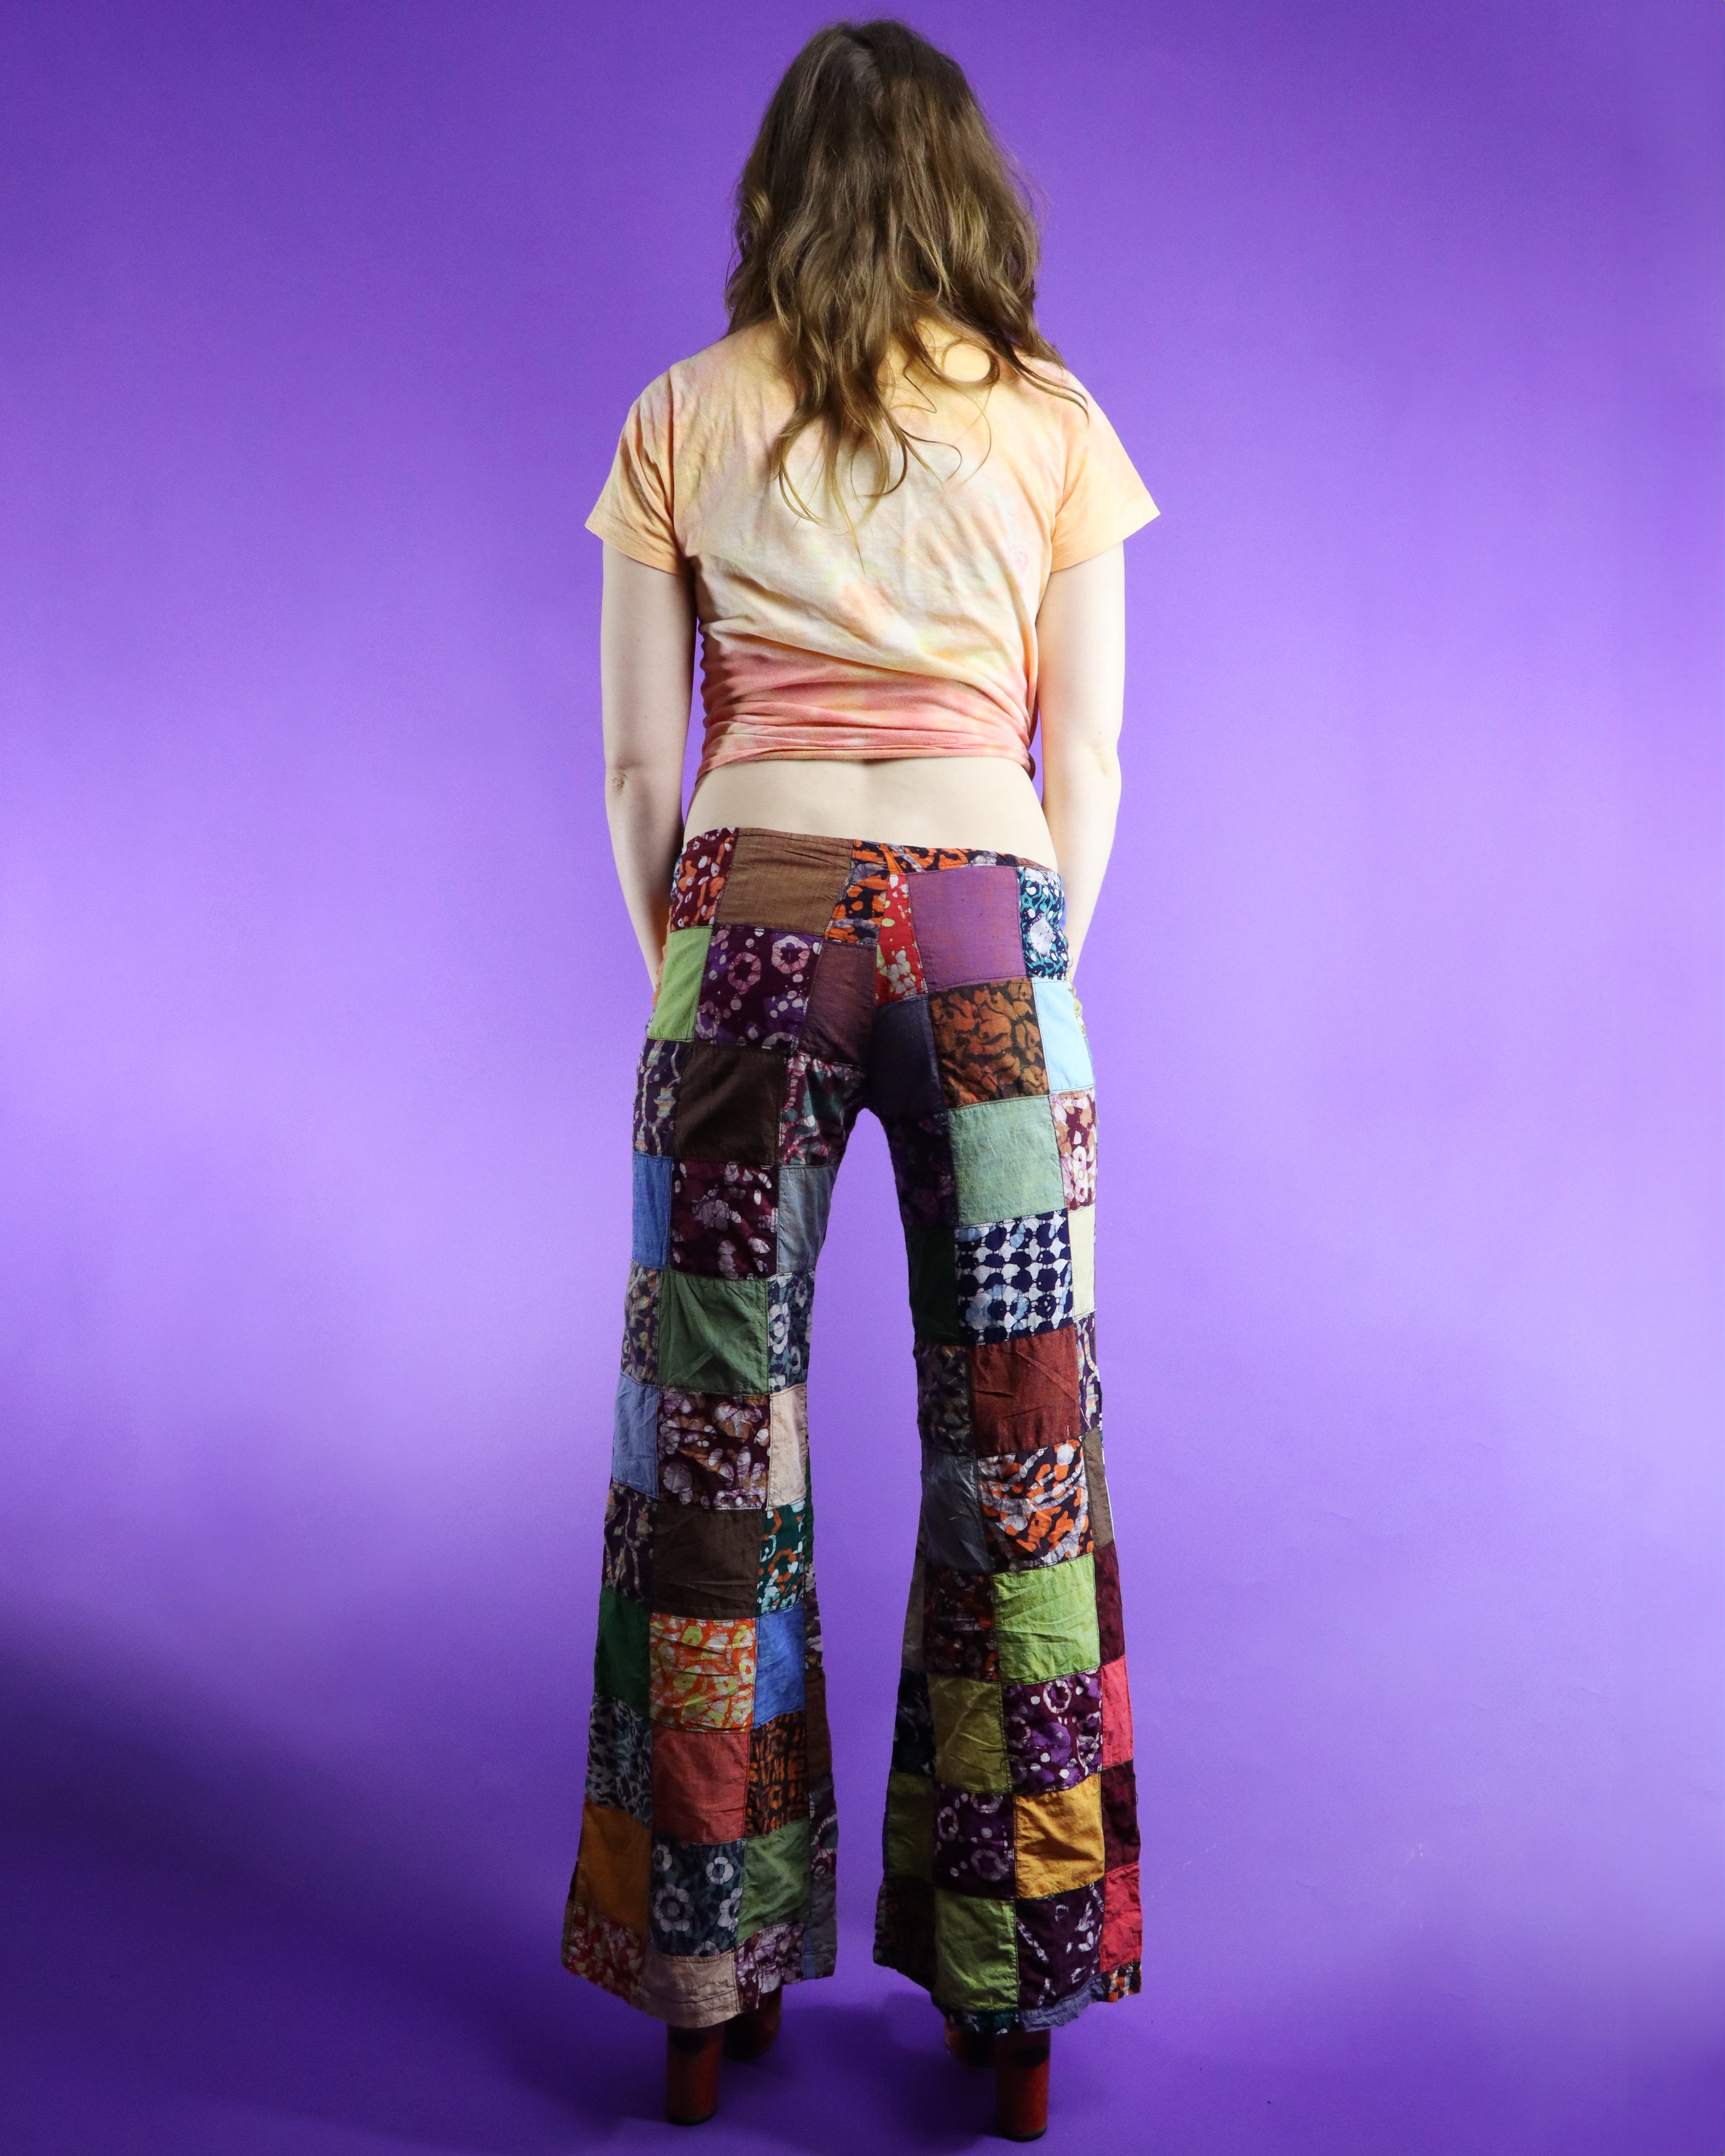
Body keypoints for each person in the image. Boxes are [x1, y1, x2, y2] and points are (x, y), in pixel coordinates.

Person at [561, 18, 1158, 2140]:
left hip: (750, 912)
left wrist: (705, 971)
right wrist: (1014, 962)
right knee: (1021, 1447)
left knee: (712, 1446)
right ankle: (1017, 1998)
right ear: (966, 193)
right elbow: (1086, 758)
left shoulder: (679, 412)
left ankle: (700, 1981)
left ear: (772, 195)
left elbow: (636, 765)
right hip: (991, 920)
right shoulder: (1055, 425)